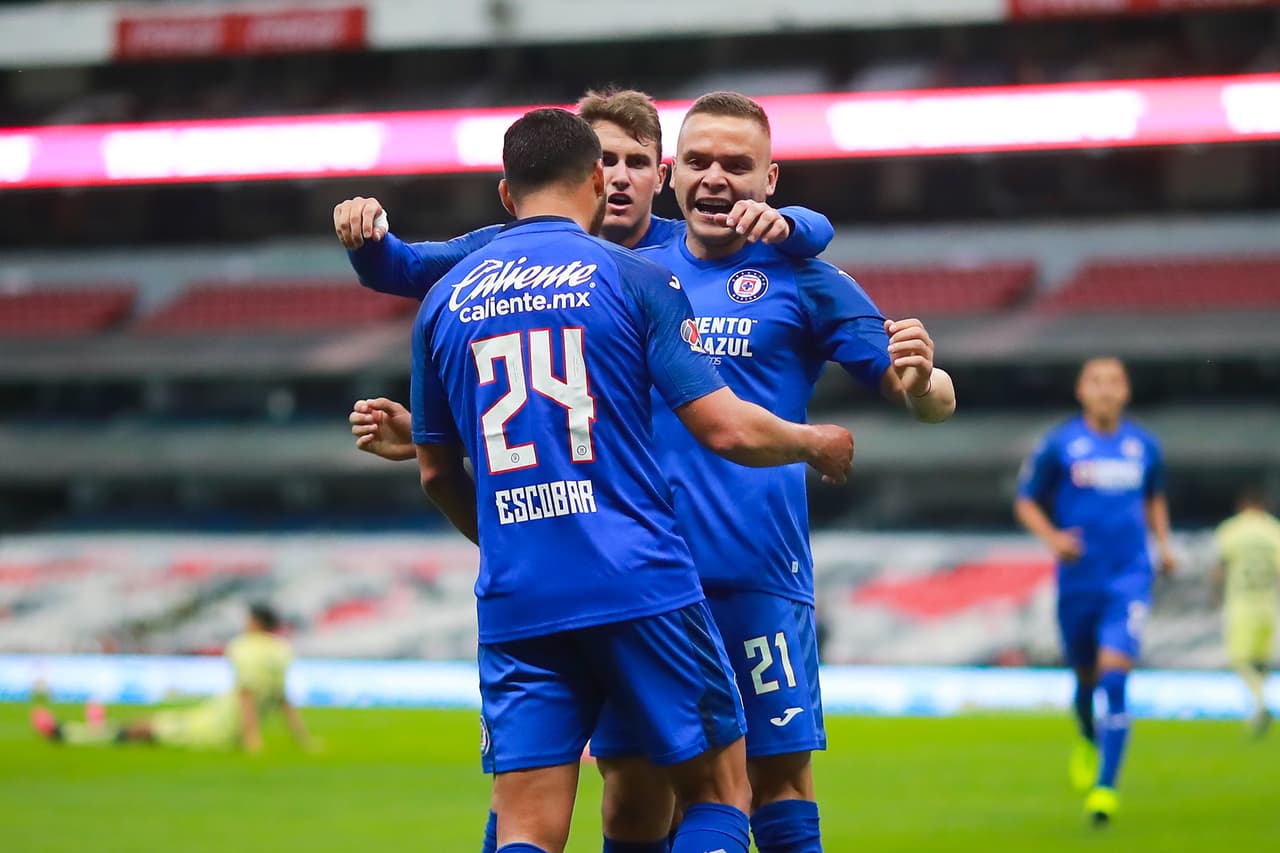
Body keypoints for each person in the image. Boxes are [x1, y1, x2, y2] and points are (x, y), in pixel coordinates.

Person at [353, 92, 957, 853]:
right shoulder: (628, 268)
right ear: (669, 175)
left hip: (747, 571)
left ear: (772, 178)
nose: (714, 177)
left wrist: (919, 381)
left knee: (774, 785)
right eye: (698, 161)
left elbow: (929, 398)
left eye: (737, 166)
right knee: (634, 797)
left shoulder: (799, 273)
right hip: (645, 579)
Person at [334, 87, 834, 299]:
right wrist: (365, 233)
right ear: (583, 174)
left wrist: (789, 221)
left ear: (662, 178)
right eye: (605, 162)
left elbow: (813, 235)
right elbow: (402, 269)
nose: (618, 177)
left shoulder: (693, 245)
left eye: (637, 163)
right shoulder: (513, 248)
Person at [1015, 357, 1175, 826]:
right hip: (1079, 580)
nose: (1105, 390)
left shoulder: (1144, 446)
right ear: (1081, 391)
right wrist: (1054, 539)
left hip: (1129, 577)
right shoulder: (1060, 445)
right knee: (1086, 680)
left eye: (1114, 382)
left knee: (1114, 677)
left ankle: (1105, 789)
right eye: (1096, 382)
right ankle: (1087, 735)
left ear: (1125, 392)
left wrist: (1163, 544)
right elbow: (1026, 502)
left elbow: (1154, 498)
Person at [31, 603, 311, 754]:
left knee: (142, 730)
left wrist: (252, 740)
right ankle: (90, 729)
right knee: (147, 728)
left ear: (255, 624)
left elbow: (247, 694)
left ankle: (70, 733)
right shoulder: (282, 651)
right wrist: (303, 740)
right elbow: (282, 699)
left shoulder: (244, 647)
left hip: (215, 726)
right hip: (217, 721)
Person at [1213, 485, 1280, 737]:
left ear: (1241, 505)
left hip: (1241, 602)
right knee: (1261, 661)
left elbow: (1221, 566)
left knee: (1239, 659)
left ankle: (1260, 704)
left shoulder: (1231, 529)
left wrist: (1214, 594)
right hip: (1267, 603)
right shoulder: (1274, 530)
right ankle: (1257, 710)